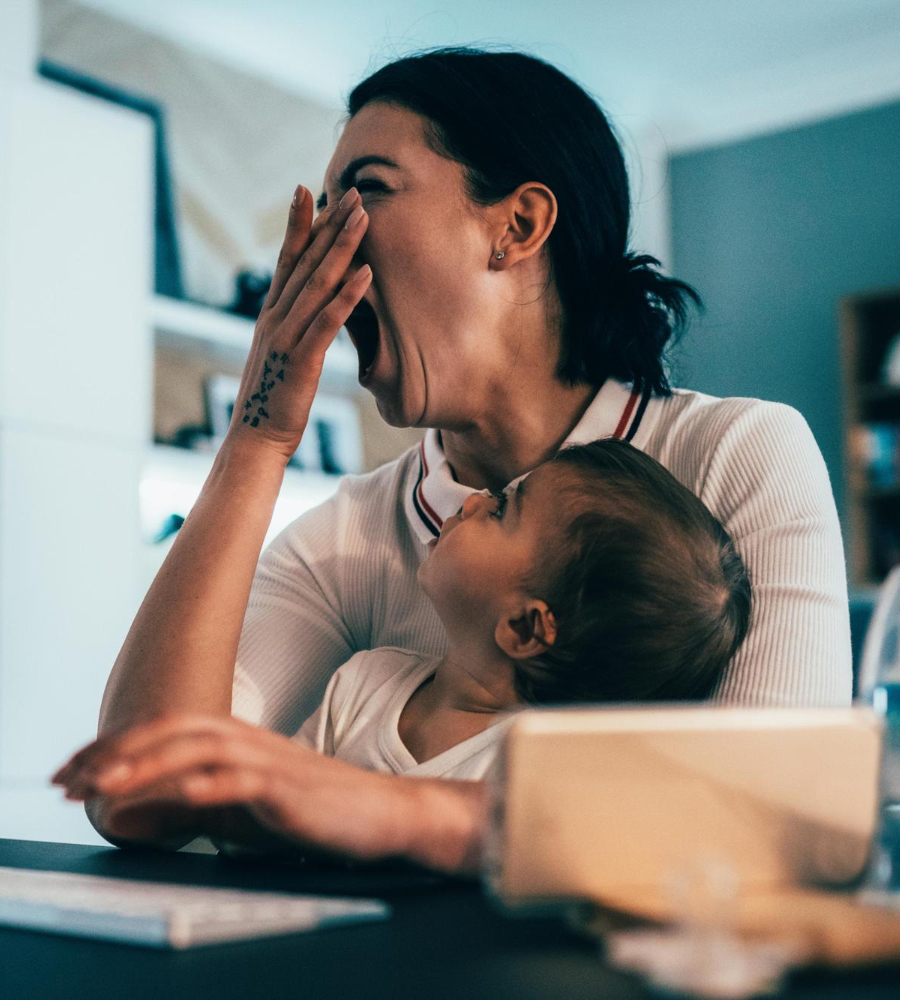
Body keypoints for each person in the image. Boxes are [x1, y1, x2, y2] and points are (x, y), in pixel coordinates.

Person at [54, 47, 851, 873]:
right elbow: (135, 794)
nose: (323, 244)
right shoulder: (345, 540)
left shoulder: (738, 454)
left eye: (365, 191)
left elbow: (781, 817)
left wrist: (392, 811)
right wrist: (255, 440)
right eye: (324, 207)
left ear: (517, 226)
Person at [291, 438, 751, 780]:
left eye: (500, 511)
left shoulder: (541, 772)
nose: (473, 500)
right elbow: (260, 821)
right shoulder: (361, 684)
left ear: (524, 629)